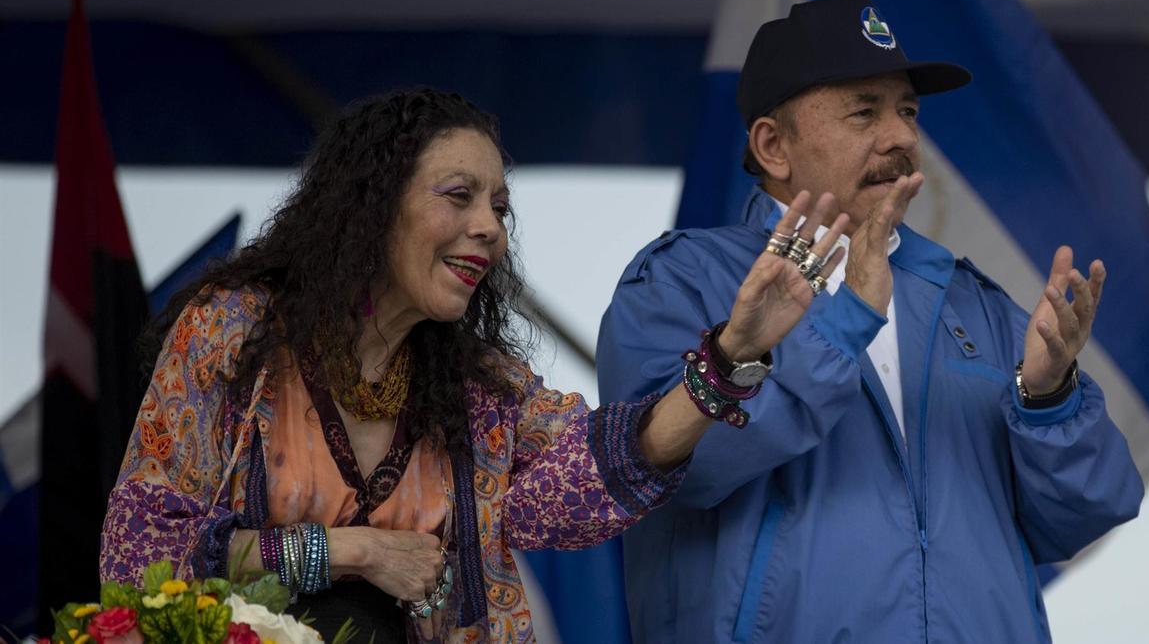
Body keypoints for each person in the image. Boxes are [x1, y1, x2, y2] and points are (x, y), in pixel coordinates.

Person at [99, 88, 848, 643]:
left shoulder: (480, 388)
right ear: (372, 204)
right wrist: (350, 552)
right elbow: (143, 552)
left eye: (499, 206)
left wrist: (731, 355)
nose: (489, 227)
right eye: (458, 196)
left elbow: (599, 471)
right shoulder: (234, 333)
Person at [598, 0, 1144, 643]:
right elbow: (677, 470)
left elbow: (1088, 511)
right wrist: (846, 317)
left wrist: (1049, 397)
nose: (903, 137)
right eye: (865, 111)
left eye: (908, 111)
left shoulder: (972, 300)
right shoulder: (679, 282)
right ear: (773, 146)